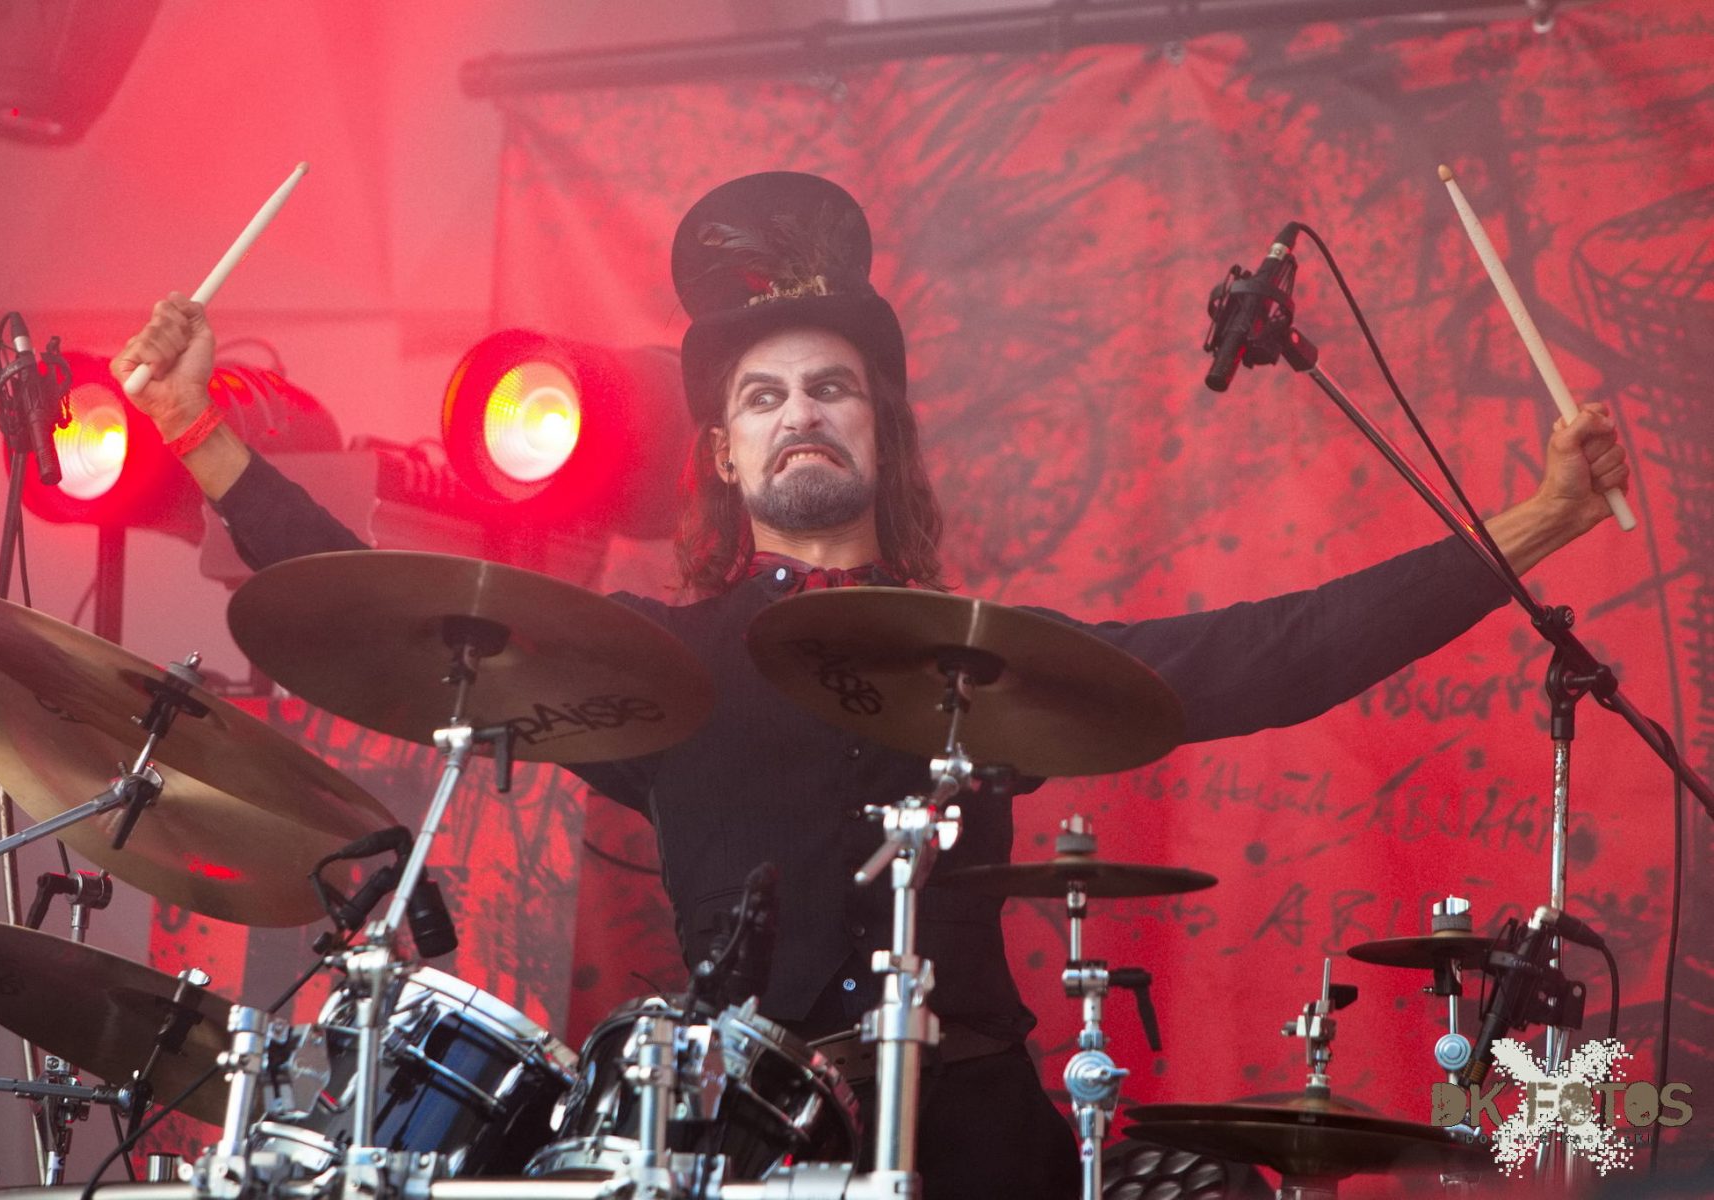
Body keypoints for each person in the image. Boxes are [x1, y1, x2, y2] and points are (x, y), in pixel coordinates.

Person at [114, 172, 1629, 1199]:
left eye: (831, 387)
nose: (801, 413)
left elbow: (1270, 655)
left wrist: (1541, 521)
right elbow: (406, 615)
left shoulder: (987, 649)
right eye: (764, 397)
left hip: (980, 1134)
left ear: (879, 430)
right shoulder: (649, 667)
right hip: (742, 1140)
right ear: (724, 456)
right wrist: (201, 439)